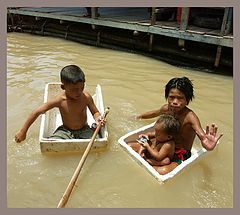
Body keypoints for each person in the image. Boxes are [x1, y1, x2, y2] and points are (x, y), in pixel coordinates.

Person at [135, 76, 223, 174]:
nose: (175, 102)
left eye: (180, 98)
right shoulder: (166, 109)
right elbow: (154, 113)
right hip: (162, 145)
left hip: (180, 153)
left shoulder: (190, 117)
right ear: (167, 97)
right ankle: (150, 161)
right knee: (131, 146)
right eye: (171, 97)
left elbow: (202, 136)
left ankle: (150, 162)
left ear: (187, 101)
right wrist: (138, 116)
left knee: (162, 171)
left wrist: (207, 143)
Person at [15, 65, 105, 143]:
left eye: (81, 87)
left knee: (96, 143)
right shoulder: (59, 100)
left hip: (84, 129)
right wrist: (23, 131)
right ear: (63, 87)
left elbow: (95, 112)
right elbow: (36, 112)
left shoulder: (86, 97)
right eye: (74, 90)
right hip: (65, 131)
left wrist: (98, 118)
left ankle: (93, 129)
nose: (79, 92)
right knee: (51, 143)